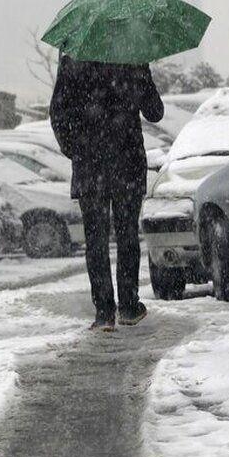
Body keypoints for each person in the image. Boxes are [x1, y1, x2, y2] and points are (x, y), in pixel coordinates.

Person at [49, 54, 164, 330]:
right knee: (127, 236)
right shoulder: (133, 59)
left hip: (90, 167)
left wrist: (76, 148)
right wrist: (141, 79)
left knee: (96, 241)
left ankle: (104, 312)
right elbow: (155, 112)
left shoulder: (73, 61)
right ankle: (129, 306)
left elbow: (58, 114)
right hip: (127, 164)